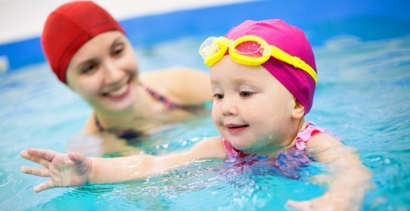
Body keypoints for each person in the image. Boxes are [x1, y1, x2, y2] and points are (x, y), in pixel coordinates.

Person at [21, 19, 372, 210]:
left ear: (297, 103)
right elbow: (153, 165)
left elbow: (351, 170)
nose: (226, 106)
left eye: (245, 93)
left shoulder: (315, 144)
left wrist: (339, 198)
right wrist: (92, 171)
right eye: (217, 94)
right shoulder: (221, 149)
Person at [40, 1, 212, 155]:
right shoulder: (89, 153)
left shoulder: (185, 84)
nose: (114, 76)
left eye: (118, 51)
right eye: (90, 68)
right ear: (68, 84)